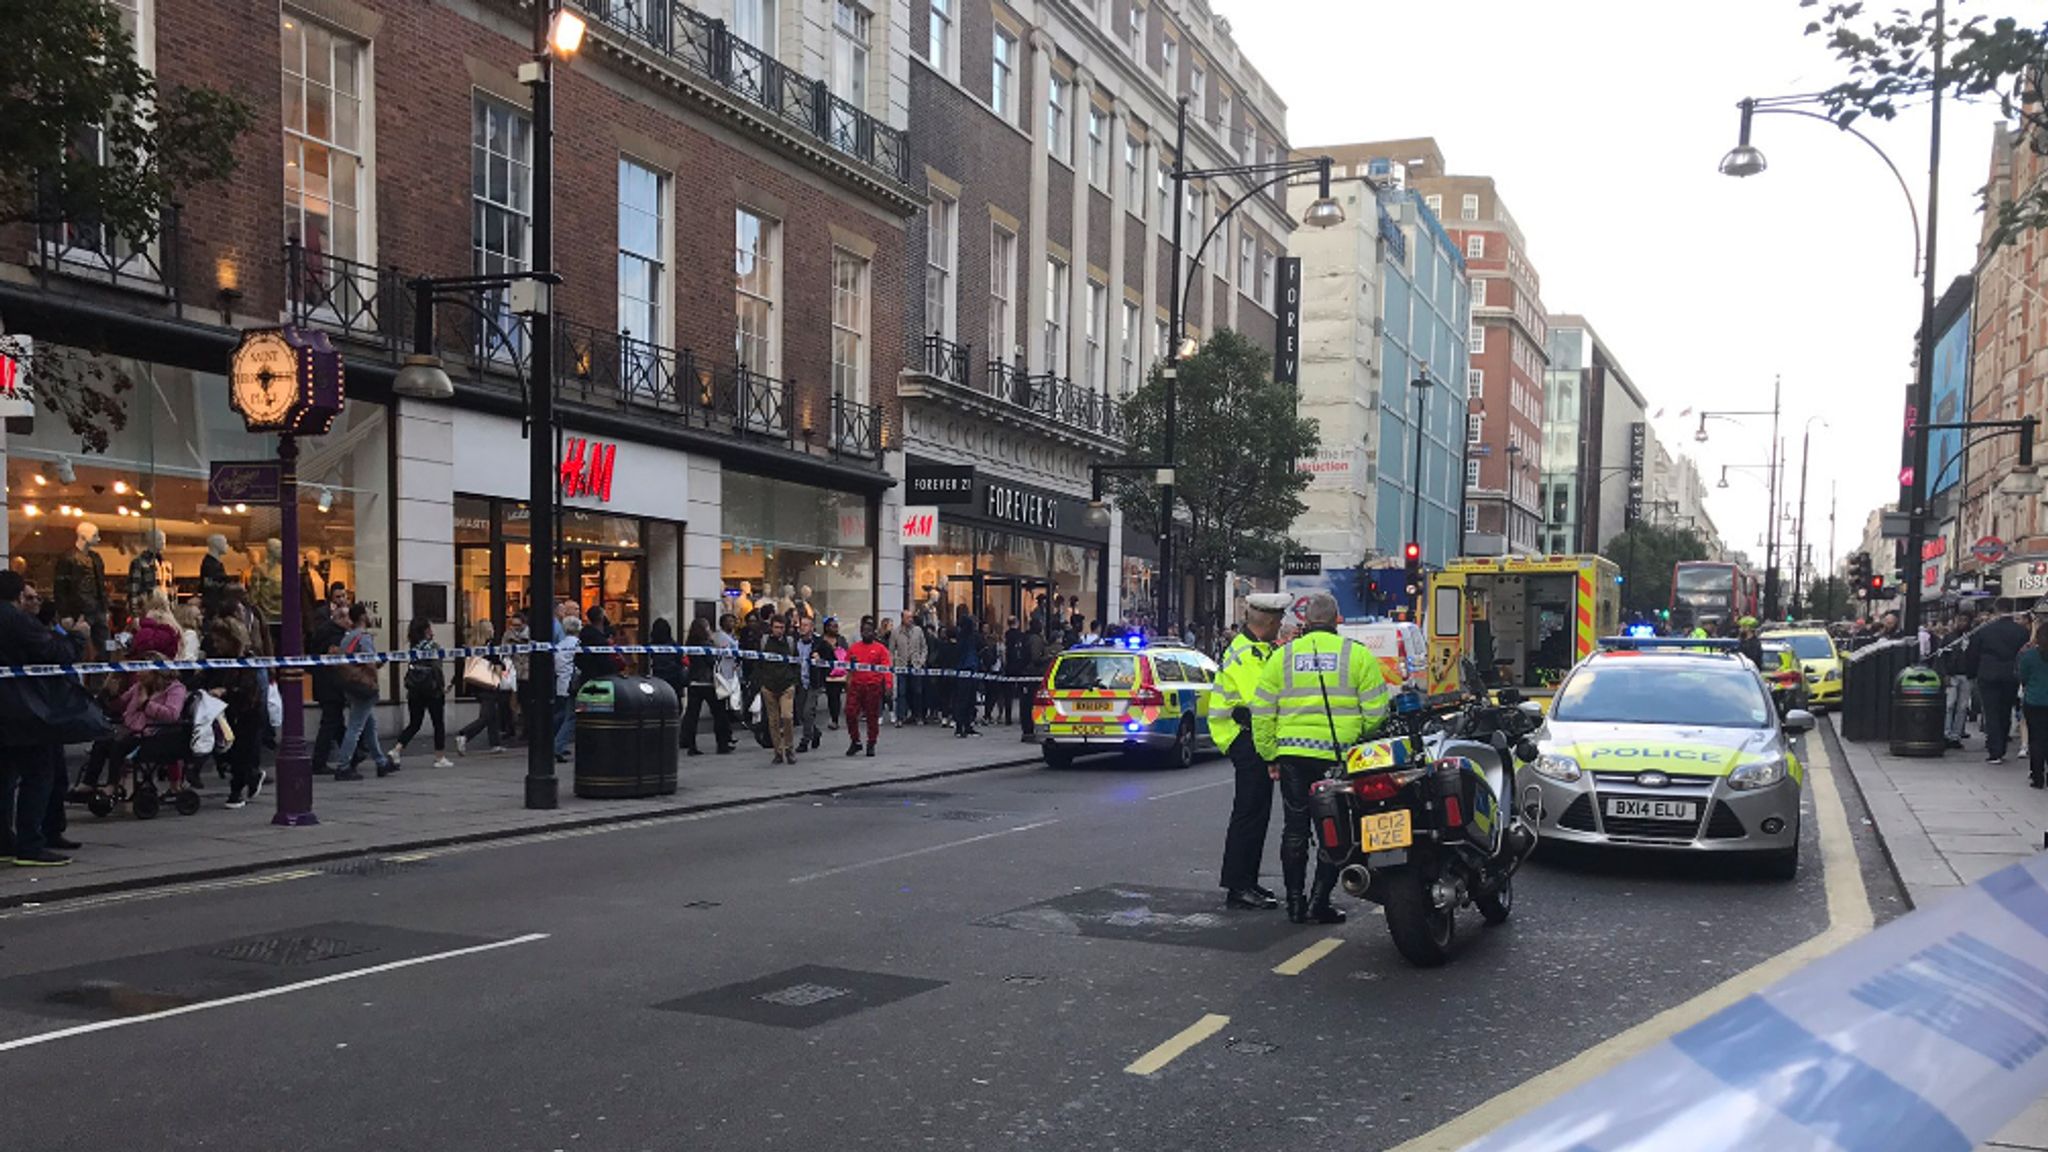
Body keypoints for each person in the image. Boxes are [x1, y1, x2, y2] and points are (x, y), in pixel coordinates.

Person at [1251, 590, 1392, 925]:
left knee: (1295, 829)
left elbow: (1262, 711)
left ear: (1304, 620)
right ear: (1336, 621)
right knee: (1336, 829)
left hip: (1292, 755)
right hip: (1338, 758)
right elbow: (1377, 712)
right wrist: (1357, 736)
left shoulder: (1282, 657)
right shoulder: (1356, 656)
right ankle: (1319, 901)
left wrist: (1270, 753)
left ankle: (1295, 905)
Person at [1, 575, 92, 866]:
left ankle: (4, 843)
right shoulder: (16, 620)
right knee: (39, 773)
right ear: (17, 597)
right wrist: (77, 636)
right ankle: (31, 844)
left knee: (4, 777)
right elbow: (58, 654)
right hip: (25, 709)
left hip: (6, 710)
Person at [1212, 592, 1289, 910]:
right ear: (1269, 622)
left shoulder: (1260, 650)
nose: (1281, 626)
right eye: (1279, 621)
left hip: (1248, 736)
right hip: (1244, 738)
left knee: (1256, 812)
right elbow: (1259, 705)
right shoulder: (1246, 655)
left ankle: (1247, 881)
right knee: (1249, 812)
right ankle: (1238, 885)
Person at [202, 616, 269, 809]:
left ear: (232, 640)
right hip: (225, 712)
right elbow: (207, 678)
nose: (216, 645)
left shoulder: (246, 660)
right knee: (226, 752)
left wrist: (226, 691)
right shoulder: (217, 659)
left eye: (219, 641)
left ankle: (236, 791)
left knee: (241, 752)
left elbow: (249, 690)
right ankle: (252, 775)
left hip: (247, 712)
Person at [331, 603, 397, 781]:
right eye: (366, 614)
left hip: (351, 685)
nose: (368, 617)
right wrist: (380, 662)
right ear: (361, 617)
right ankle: (343, 766)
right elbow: (369, 662)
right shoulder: (364, 637)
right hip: (364, 686)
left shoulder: (347, 638)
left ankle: (381, 762)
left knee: (369, 725)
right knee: (356, 727)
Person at [1968, 602, 2031, 766]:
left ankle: (1994, 750)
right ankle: (2002, 744)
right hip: (2011, 674)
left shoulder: (1984, 630)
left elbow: (1973, 653)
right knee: (2005, 710)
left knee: (1991, 712)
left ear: (1996, 610)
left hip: (1988, 674)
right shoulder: (2022, 631)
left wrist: (1973, 673)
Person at [392, 617, 452, 768]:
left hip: (415, 690)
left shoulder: (414, 647)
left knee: (414, 723)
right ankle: (440, 757)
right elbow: (437, 669)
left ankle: (397, 749)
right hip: (432, 690)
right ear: (426, 630)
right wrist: (441, 686)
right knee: (438, 723)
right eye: (430, 628)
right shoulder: (433, 647)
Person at [308, 600, 351, 774]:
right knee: (330, 722)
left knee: (337, 722)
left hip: (325, 683)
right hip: (331, 685)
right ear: (341, 619)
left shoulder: (324, 631)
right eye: (349, 618)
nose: (351, 622)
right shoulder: (335, 636)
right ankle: (319, 761)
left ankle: (353, 752)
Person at [455, 619, 509, 756]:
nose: (494, 630)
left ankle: (495, 744)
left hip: (475, 684)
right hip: (488, 683)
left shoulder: (471, 646)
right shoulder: (490, 646)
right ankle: (464, 735)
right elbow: (497, 663)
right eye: (491, 628)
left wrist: (454, 682)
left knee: (492, 714)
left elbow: (464, 667)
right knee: (486, 716)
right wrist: (503, 667)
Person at [682, 616, 734, 755]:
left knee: (692, 715)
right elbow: (711, 661)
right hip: (708, 683)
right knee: (719, 713)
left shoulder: (690, 644)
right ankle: (722, 744)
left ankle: (691, 745)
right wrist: (719, 652)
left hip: (694, 682)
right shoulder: (706, 644)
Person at [845, 617, 892, 756]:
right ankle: (855, 741)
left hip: (873, 687)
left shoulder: (881, 649)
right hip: (856, 686)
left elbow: (886, 668)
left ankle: (871, 742)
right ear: (860, 632)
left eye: (870, 631)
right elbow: (845, 666)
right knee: (850, 713)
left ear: (874, 633)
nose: (867, 633)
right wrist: (851, 664)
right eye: (864, 631)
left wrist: (888, 685)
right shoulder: (854, 648)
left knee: (872, 717)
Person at [756, 614, 799, 764]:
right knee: (773, 721)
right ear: (771, 627)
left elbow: (796, 661)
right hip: (769, 685)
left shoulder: (790, 642)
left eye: (781, 627)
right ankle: (778, 752)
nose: (779, 630)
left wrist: (794, 680)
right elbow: (758, 662)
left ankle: (789, 748)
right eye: (776, 627)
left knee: (787, 716)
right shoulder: (764, 641)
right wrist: (761, 682)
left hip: (786, 685)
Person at [792, 614, 824, 753]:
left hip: (813, 682)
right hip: (799, 682)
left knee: (807, 711)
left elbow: (832, 659)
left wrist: (820, 658)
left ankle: (805, 740)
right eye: (801, 625)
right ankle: (815, 732)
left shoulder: (818, 642)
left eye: (806, 625)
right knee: (800, 713)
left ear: (812, 628)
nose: (802, 628)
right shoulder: (794, 642)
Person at [553, 615, 582, 763]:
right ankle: (557, 744)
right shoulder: (577, 644)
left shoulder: (559, 645)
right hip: (573, 683)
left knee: (563, 714)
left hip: (561, 683)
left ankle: (556, 742)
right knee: (569, 717)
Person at [891, 611, 926, 727]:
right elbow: (891, 650)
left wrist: (921, 661)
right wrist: (894, 663)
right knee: (901, 692)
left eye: (911, 617)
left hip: (915, 665)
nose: (910, 619)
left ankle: (918, 715)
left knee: (917, 691)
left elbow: (924, 647)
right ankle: (900, 717)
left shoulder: (918, 631)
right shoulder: (896, 632)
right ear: (902, 618)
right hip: (902, 666)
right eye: (908, 617)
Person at [503, 612, 533, 743]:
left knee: (526, 704)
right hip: (512, 672)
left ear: (524, 624)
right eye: (513, 625)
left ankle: (527, 730)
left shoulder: (531, 635)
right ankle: (510, 729)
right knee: (510, 703)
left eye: (518, 625)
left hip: (526, 673)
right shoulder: (508, 634)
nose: (515, 627)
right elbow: (503, 651)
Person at [2025, 620, 2048, 789]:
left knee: (2036, 739)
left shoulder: (2030, 655)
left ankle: (2037, 775)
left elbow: (2023, 677)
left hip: (2035, 701)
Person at [953, 606, 981, 736]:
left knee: (964, 699)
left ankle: (963, 725)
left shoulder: (961, 637)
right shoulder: (969, 638)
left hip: (965, 669)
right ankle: (964, 725)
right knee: (966, 700)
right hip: (968, 669)